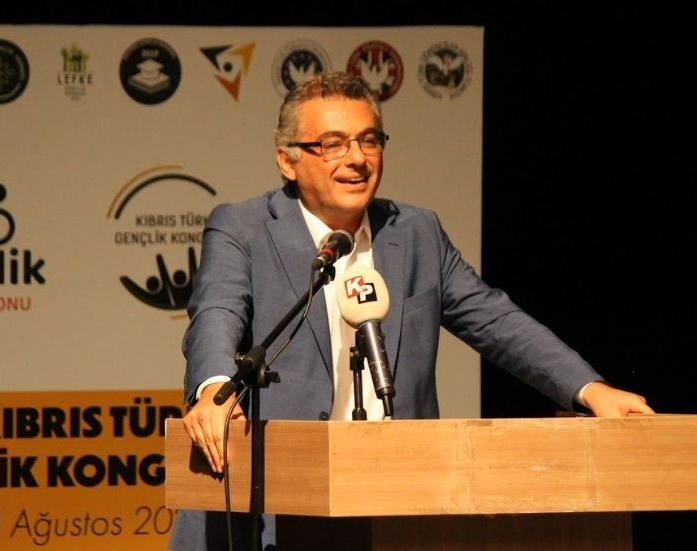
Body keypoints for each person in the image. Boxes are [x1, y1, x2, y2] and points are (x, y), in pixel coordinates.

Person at [167, 71, 654, 550]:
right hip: (277, 507)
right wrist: (214, 389)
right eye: (333, 144)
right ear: (287, 161)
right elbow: (216, 313)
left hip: (396, 505)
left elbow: (495, 320)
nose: (357, 158)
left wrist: (590, 389)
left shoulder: (416, 233)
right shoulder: (244, 228)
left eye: (369, 140)